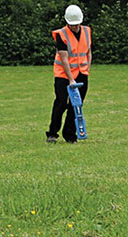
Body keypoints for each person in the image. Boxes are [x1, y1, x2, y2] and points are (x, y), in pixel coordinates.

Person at [46, 5, 92, 143]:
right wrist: (71, 79)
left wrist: (86, 70)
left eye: (77, 24)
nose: (75, 27)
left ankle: (70, 135)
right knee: (61, 102)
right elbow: (64, 59)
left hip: (81, 73)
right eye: (72, 25)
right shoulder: (61, 35)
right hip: (63, 75)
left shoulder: (87, 31)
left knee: (76, 105)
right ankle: (52, 133)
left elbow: (88, 52)